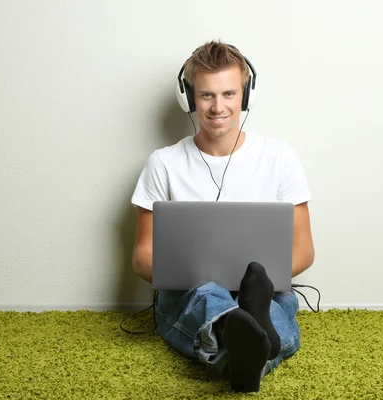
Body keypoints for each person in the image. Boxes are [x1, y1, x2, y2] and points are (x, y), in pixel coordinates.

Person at [130, 41, 315, 393]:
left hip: (265, 292)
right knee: (208, 295)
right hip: (187, 293)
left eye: (229, 93)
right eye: (206, 95)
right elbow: (142, 257)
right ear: (188, 98)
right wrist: (192, 276)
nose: (218, 107)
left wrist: (264, 277)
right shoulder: (163, 163)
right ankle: (245, 335)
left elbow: (304, 250)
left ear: (246, 96)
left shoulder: (279, 158)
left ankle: (239, 342)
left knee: (279, 303)